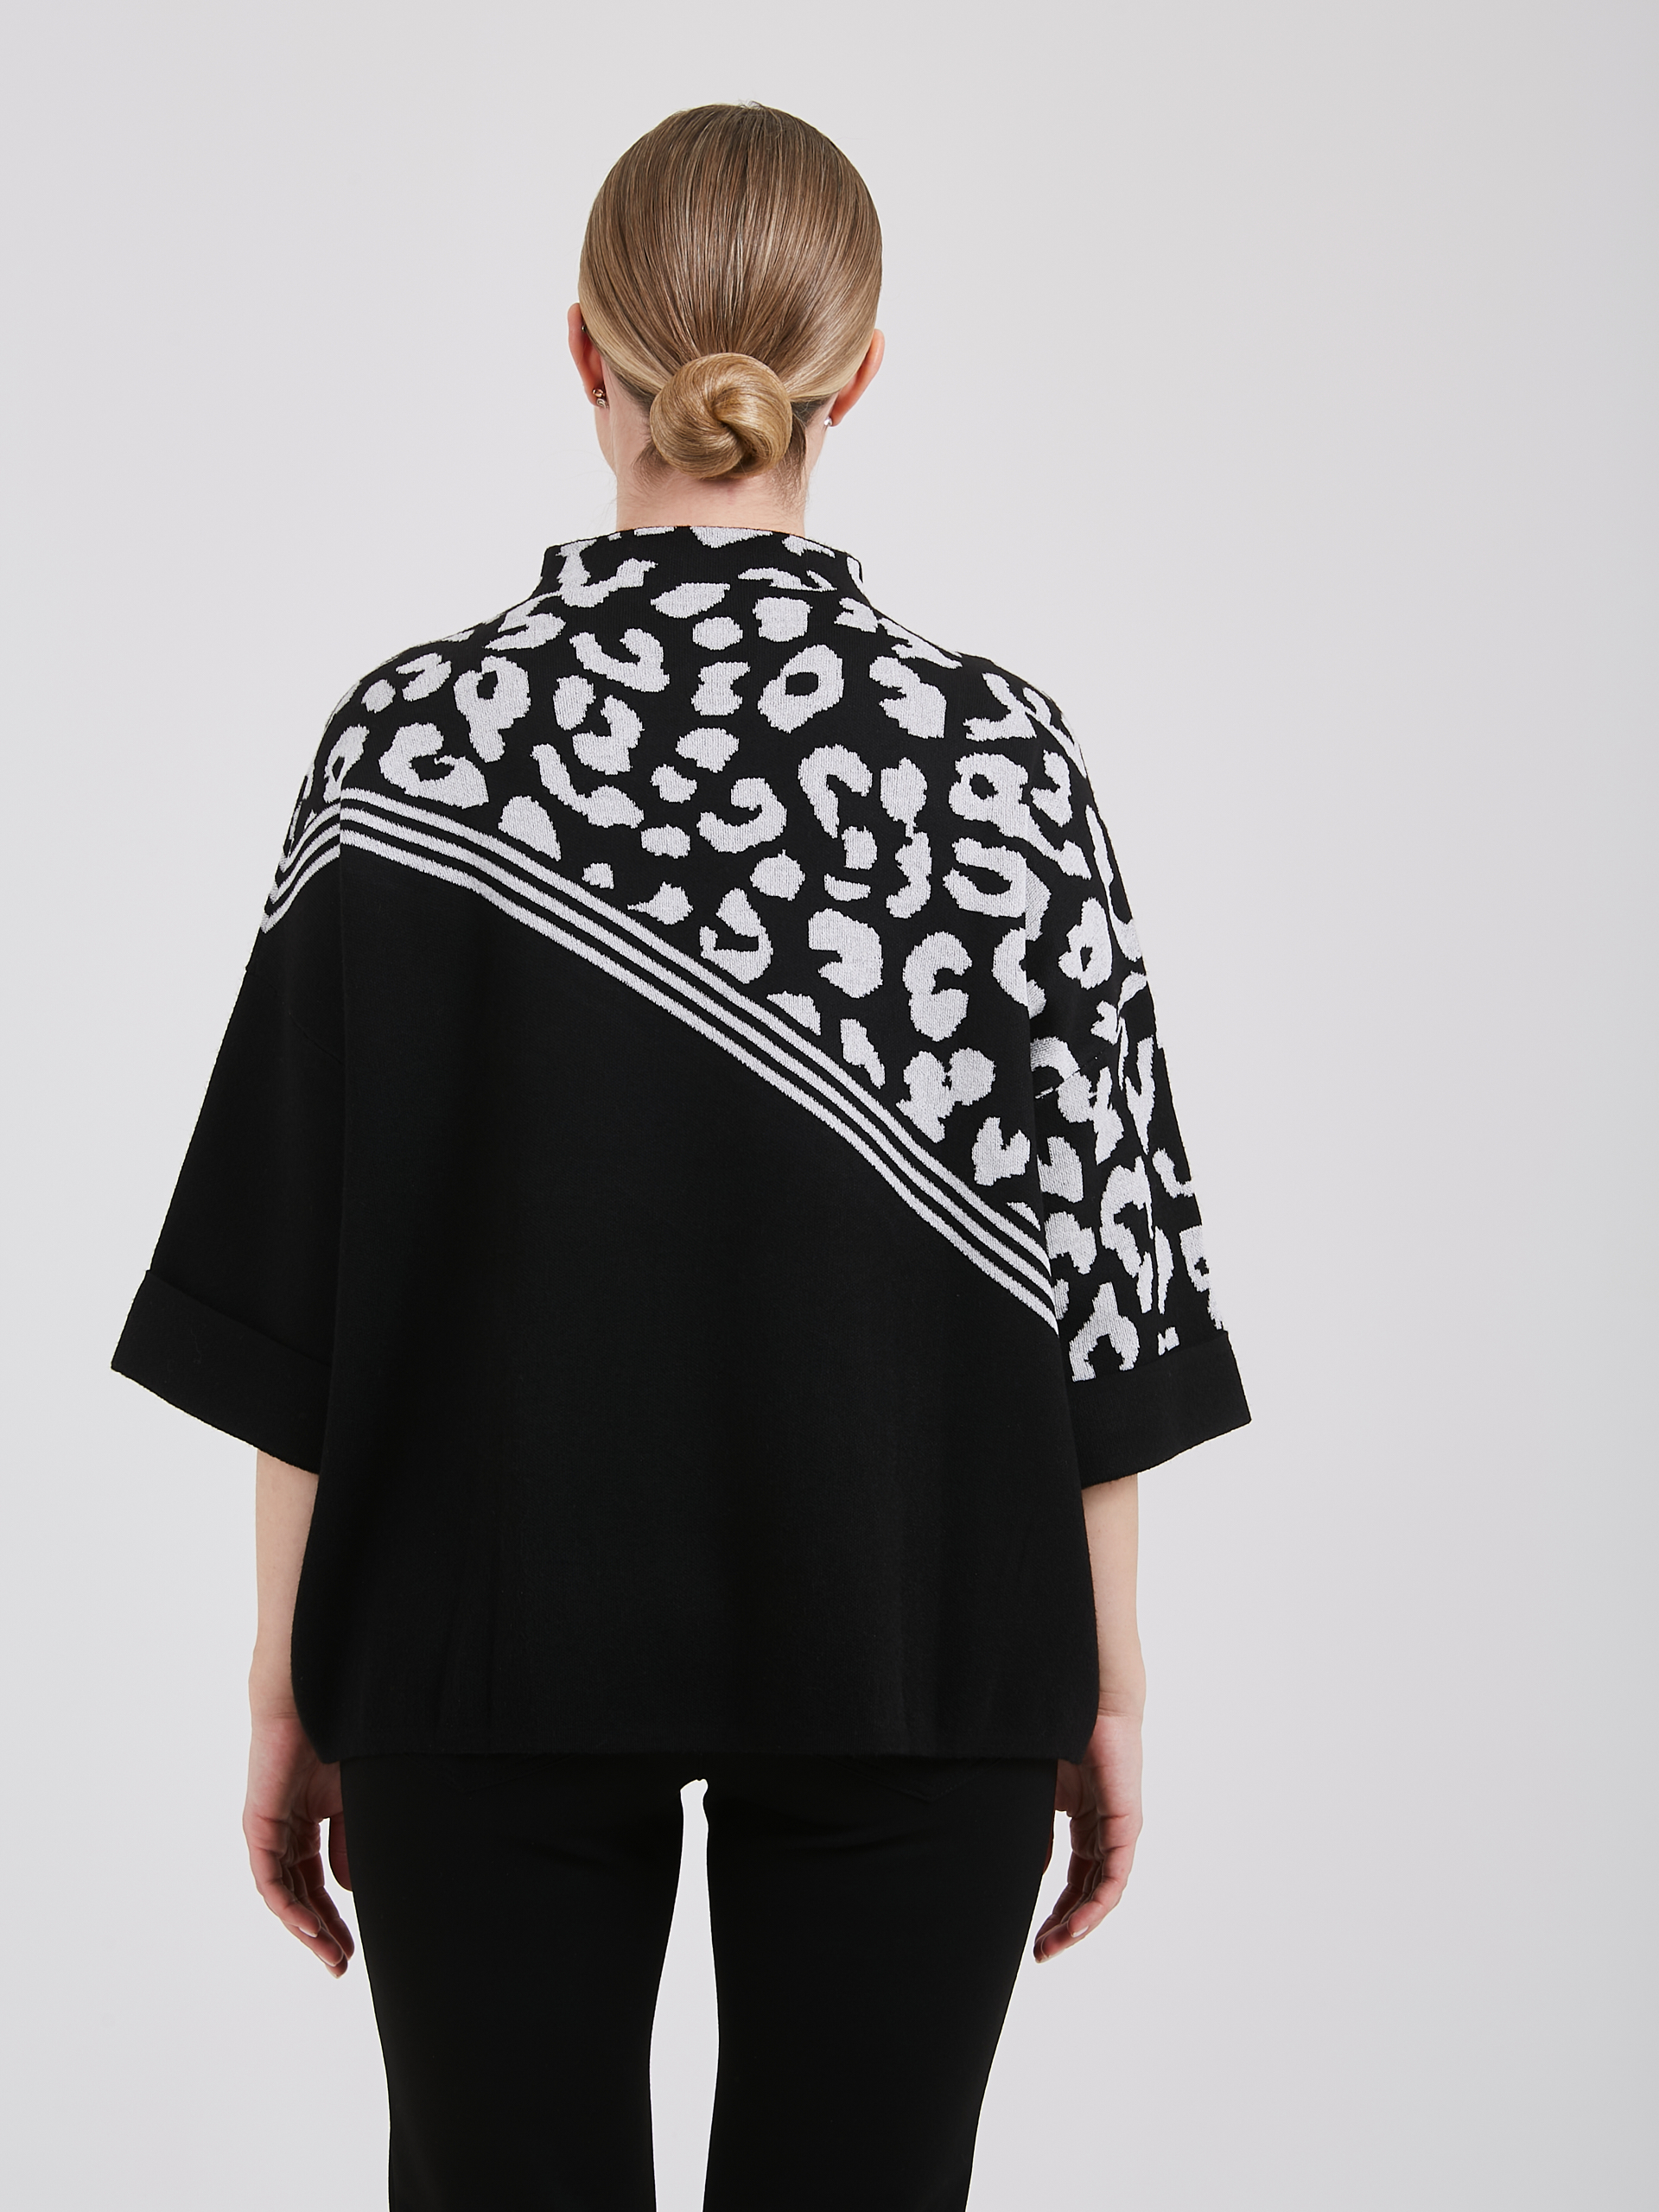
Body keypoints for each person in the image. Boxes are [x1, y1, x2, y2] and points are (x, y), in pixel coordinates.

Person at [112, 102, 1249, 2212]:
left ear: (584, 349)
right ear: (859, 374)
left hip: (475, 1644)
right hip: (921, 1627)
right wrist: (1105, 1671)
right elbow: (1108, 1277)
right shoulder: (1000, 758)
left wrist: (286, 1679)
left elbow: (300, 1282)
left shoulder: (414, 746)